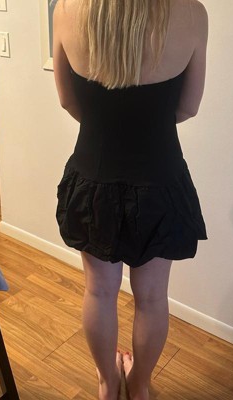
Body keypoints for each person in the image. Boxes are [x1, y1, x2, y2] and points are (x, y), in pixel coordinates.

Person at [52, 0, 208, 399]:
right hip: (159, 178)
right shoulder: (192, 13)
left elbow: (68, 101)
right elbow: (188, 107)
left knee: (99, 291)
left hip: (94, 176)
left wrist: (110, 121)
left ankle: (108, 384)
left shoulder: (67, 9)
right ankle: (138, 388)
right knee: (152, 297)